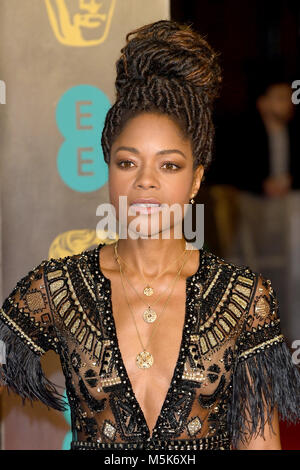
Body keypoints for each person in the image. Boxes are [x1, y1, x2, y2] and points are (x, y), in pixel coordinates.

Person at [1, 20, 300, 452]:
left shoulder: (242, 298)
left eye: (169, 165)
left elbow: (260, 445)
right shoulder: (57, 287)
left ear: (196, 179)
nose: (146, 182)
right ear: (108, 170)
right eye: (127, 163)